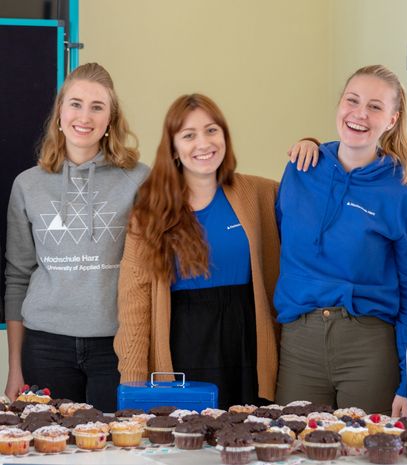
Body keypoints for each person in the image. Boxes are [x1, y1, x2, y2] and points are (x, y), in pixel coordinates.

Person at [114, 94, 318, 409]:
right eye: (188, 135)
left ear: (224, 135)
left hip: (247, 344)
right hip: (182, 350)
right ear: (174, 148)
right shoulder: (149, 214)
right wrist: (132, 385)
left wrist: (312, 145)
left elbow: (313, 193)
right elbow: (134, 307)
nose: (203, 143)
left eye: (212, 130)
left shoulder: (259, 193)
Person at [274, 65, 407, 416]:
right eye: (353, 100)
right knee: (292, 449)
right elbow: (280, 242)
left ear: (391, 120)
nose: (360, 114)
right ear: (339, 106)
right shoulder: (300, 170)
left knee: (366, 451)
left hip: (368, 346)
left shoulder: (404, 195)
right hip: (300, 342)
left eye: (375, 107)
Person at [4, 63, 149, 412]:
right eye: (76, 103)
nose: (85, 116)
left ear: (110, 119)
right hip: (44, 346)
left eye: (97, 107)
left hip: (116, 347)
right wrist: (14, 369)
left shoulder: (141, 179)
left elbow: (150, 274)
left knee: (117, 451)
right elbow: (17, 277)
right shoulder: (27, 184)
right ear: (59, 113)